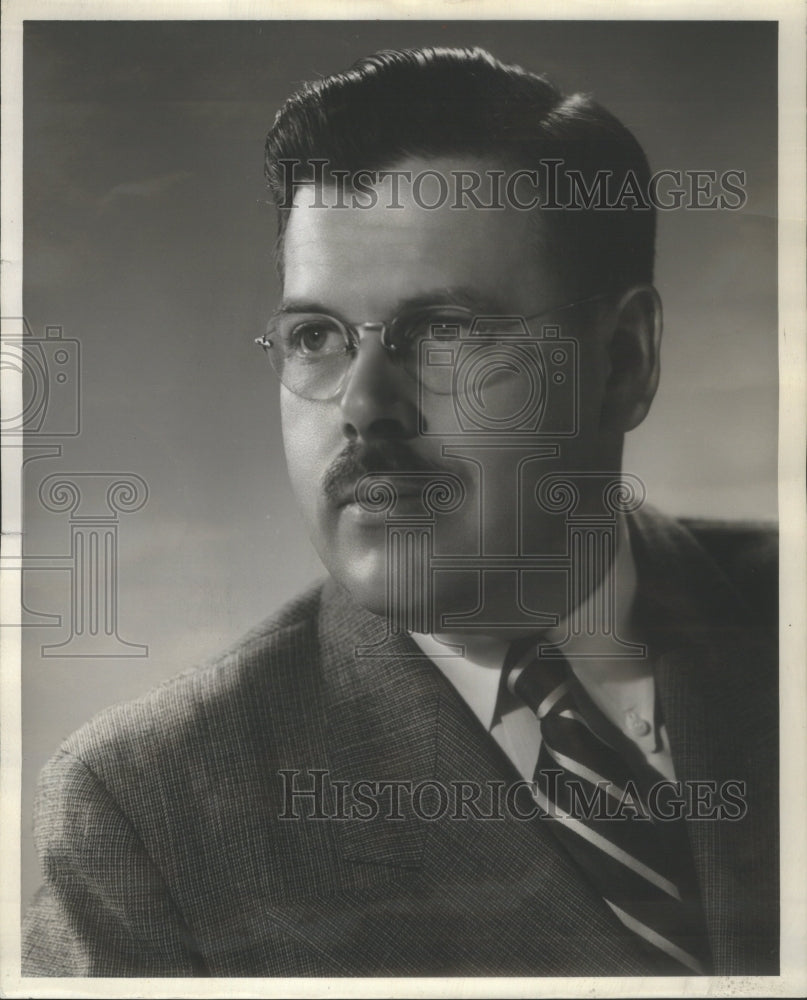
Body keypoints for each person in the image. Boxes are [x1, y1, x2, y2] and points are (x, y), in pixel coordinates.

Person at [23, 46, 777, 977]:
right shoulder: (154, 814)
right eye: (316, 337)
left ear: (621, 362)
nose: (364, 405)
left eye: (443, 333)